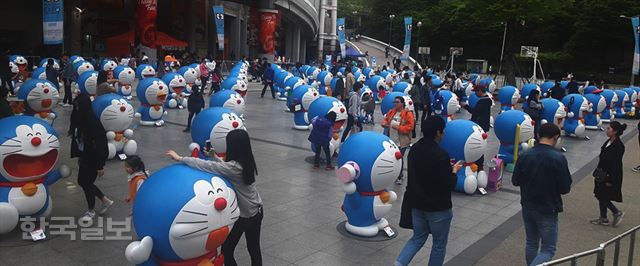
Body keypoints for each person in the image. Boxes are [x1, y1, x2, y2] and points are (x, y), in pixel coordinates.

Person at [165, 129, 263, 266]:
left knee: (227, 250)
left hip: (245, 216)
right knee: (254, 248)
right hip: (257, 210)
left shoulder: (233, 168)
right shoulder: (247, 160)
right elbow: (225, 167)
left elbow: (207, 166)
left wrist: (180, 158)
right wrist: (214, 156)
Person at [395, 116, 462, 266]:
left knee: (417, 239)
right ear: (438, 132)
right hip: (438, 208)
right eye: (443, 131)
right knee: (439, 244)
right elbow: (449, 183)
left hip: (416, 205)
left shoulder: (415, 150)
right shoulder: (441, 154)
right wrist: (454, 171)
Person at [512, 123, 572, 266]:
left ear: (538, 136)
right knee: (548, 249)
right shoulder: (558, 158)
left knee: (531, 243)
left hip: (527, 204)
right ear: (556, 137)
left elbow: (515, 181)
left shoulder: (525, 155)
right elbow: (565, 188)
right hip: (548, 207)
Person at [69, 93, 113, 223]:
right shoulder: (80, 117)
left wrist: (100, 165)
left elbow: (100, 144)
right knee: (84, 182)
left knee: (85, 182)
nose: (76, 108)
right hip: (85, 155)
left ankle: (91, 210)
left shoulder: (92, 120)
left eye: (78, 106)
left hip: (93, 158)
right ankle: (104, 200)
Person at [590, 121, 626, 226]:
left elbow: (616, 164)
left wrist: (610, 179)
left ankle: (616, 212)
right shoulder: (609, 141)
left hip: (609, 175)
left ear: (615, 131)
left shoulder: (618, 146)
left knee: (602, 195)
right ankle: (603, 217)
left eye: (609, 128)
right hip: (601, 173)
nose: (607, 130)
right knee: (600, 194)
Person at [383, 96, 415, 184]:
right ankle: (393, 174)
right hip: (391, 140)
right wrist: (385, 124)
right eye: (394, 102)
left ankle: (399, 176)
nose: (395, 104)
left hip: (402, 141)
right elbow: (386, 120)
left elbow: (410, 126)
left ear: (402, 103)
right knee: (391, 158)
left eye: (397, 102)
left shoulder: (407, 113)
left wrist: (399, 128)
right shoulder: (392, 112)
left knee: (399, 158)